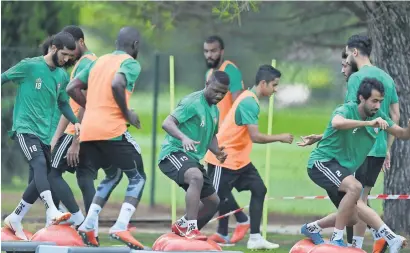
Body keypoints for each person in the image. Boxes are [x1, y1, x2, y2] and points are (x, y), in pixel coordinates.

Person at [298, 78, 408, 252]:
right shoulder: (346, 109)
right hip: (322, 163)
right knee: (355, 187)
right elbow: (337, 123)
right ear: (361, 98)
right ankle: (337, 239)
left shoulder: (380, 117)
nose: (378, 106)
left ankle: (312, 228)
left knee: (352, 218)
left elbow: (402, 134)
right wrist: (368, 123)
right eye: (374, 101)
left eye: (380, 101)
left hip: (341, 170)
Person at [66, 26, 145, 249]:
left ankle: (88, 224)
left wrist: (92, 109)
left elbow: (72, 88)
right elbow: (117, 83)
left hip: (88, 132)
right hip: (112, 131)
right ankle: (121, 225)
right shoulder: (130, 62)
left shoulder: (97, 61)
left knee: (113, 174)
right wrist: (126, 113)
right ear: (135, 45)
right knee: (138, 177)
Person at [1, 32, 80, 240]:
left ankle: (15, 217)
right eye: (64, 54)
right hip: (25, 129)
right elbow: (4, 78)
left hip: (45, 135)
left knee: (39, 178)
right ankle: (51, 210)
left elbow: (63, 103)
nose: (66, 60)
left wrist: (75, 120)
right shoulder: (29, 66)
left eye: (69, 58)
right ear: (53, 47)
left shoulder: (62, 76)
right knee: (39, 164)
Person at [205, 65, 293, 250]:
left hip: (239, 160)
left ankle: (254, 237)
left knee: (259, 189)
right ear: (263, 83)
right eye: (274, 85)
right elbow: (255, 136)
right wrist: (281, 137)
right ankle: (189, 231)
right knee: (214, 199)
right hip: (223, 158)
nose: (275, 90)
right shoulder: (249, 102)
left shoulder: (249, 98)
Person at [158, 70, 229, 240]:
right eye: (216, 90)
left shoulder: (215, 110)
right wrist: (183, 137)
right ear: (207, 84)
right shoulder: (192, 102)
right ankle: (191, 229)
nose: (219, 95)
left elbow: (211, 135)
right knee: (196, 177)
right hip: (173, 153)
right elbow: (167, 123)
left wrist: (217, 152)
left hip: (192, 160)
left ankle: (183, 225)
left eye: (223, 93)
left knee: (213, 202)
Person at [345, 34, 401, 250]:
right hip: (378, 148)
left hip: (359, 147)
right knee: (362, 197)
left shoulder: (356, 79)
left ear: (355, 52)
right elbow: (395, 115)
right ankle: (358, 245)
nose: (347, 57)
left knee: (355, 199)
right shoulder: (386, 77)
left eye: (347, 53)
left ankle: (386, 236)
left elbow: (351, 113)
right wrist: (387, 147)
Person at [48, 25, 99, 230]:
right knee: (85, 177)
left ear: (81, 42)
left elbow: (82, 104)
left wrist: (74, 142)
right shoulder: (95, 62)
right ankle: (92, 228)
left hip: (77, 132)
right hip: (93, 131)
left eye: (71, 48)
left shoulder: (85, 65)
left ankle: (77, 219)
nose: (67, 54)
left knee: (50, 172)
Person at [203, 35, 249, 245]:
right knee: (219, 184)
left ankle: (241, 220)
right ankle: (223, 230)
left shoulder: (230, 69)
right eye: (206, 51)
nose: (209, 55)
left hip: (227, 137)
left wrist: (233, 132)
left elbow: (239, 101)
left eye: (213, 51)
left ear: (221, 51)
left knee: (217, 185)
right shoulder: (210, 73)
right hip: (213, 135)